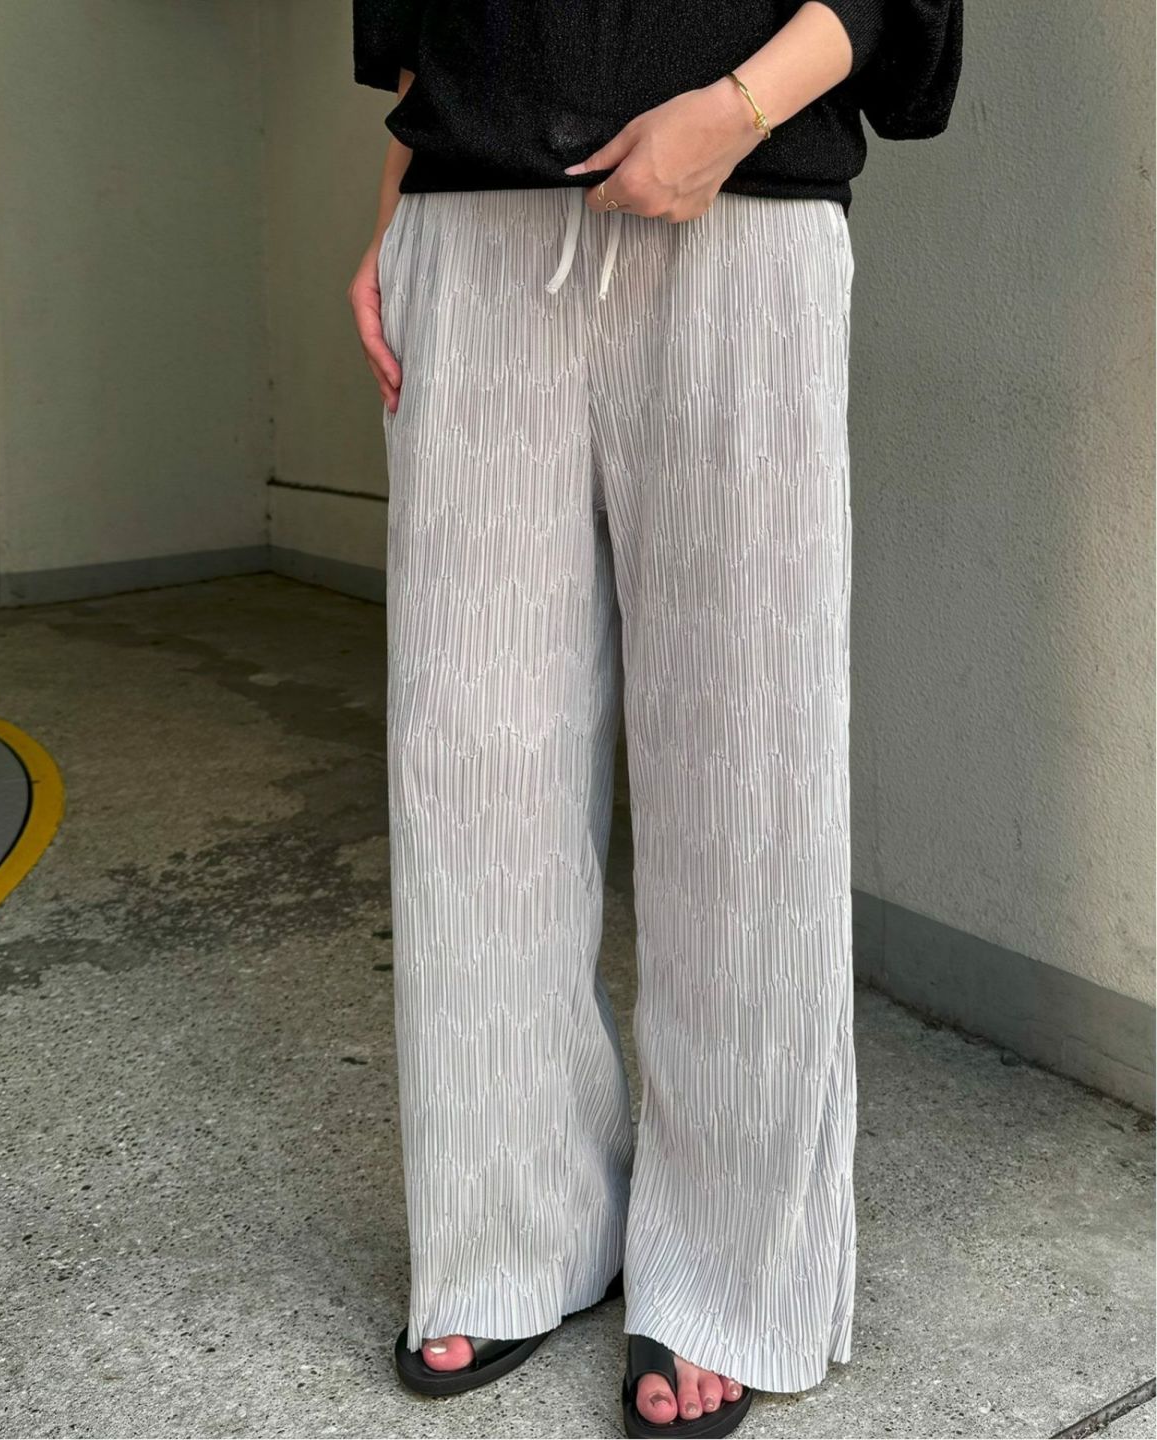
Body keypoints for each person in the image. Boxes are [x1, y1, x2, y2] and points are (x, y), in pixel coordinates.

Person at [348, 3, 962, 1434]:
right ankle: (508, 1227)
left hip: (741, 211)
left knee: (749, 768)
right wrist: (386, 221)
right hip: (470, 227)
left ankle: (730, 1269)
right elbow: (419, 33)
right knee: (471, 766)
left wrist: (736, 110)